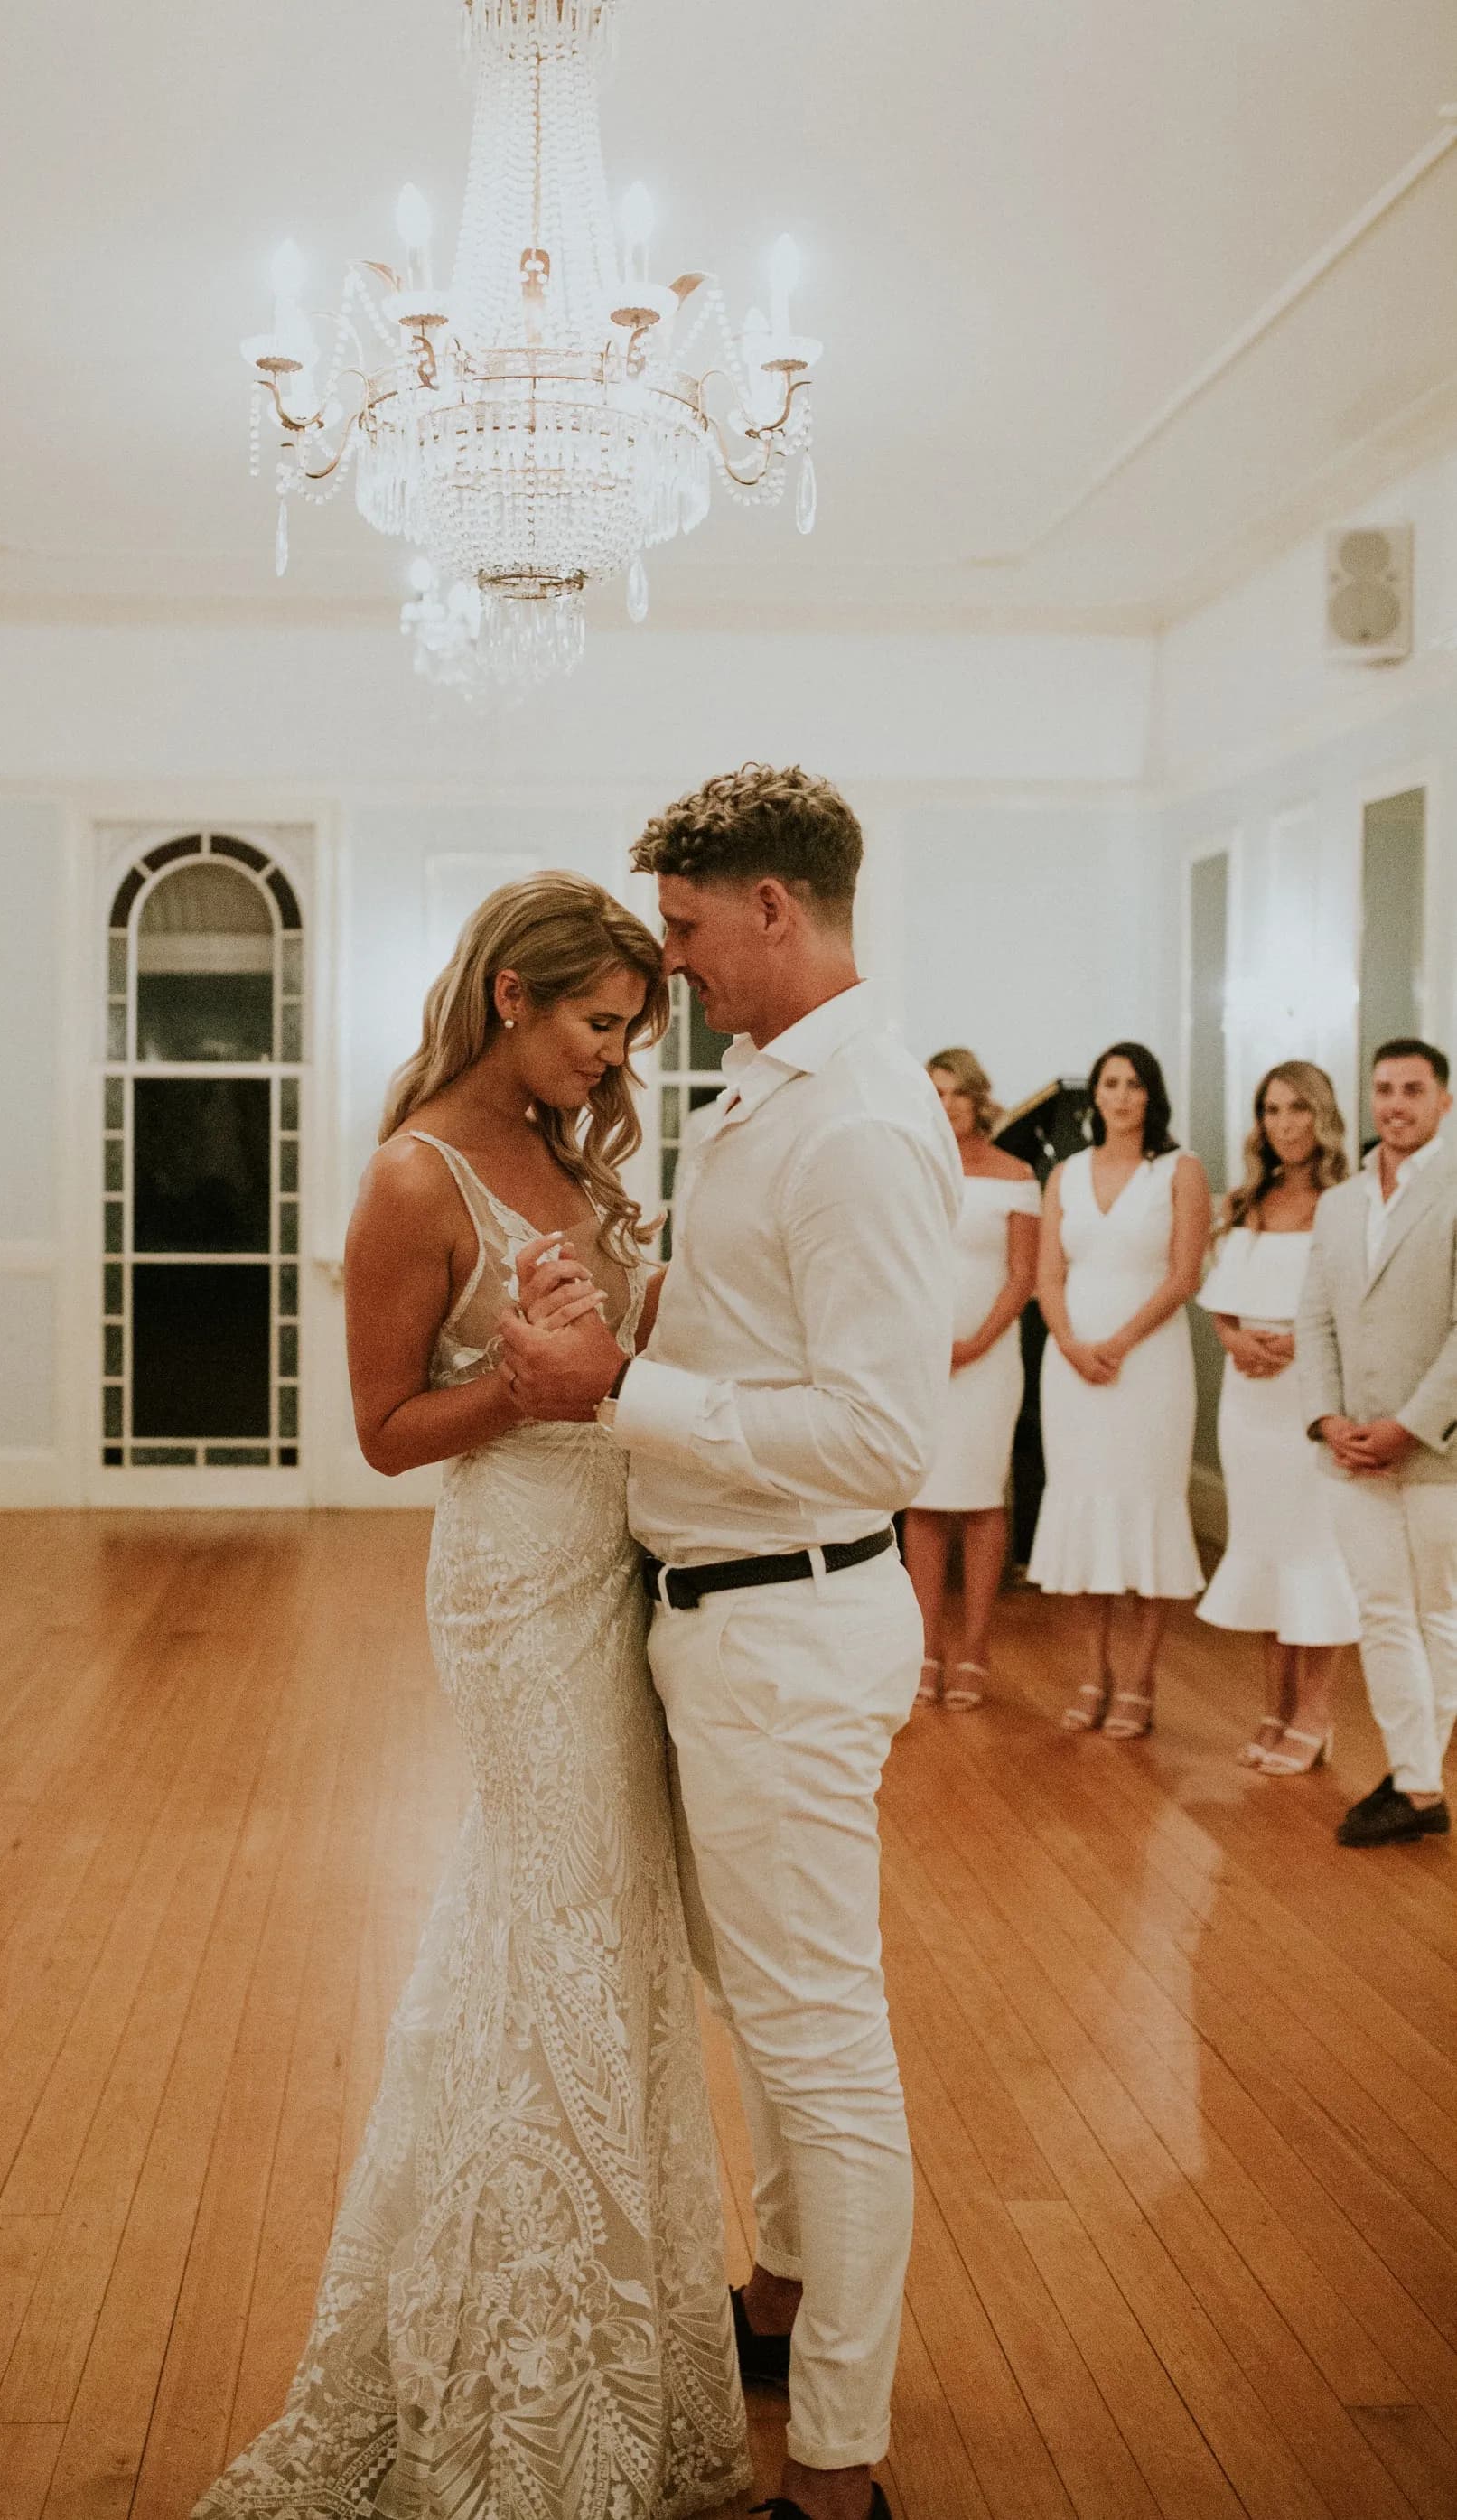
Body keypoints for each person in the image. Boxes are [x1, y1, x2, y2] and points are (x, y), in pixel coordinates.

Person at [191, 874, 752, 2520]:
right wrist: (517, 1380)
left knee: (603, 1933)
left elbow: (628, 1351)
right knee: (552, 1916)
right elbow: (380, 1431)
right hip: (516, 1583)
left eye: (630, 1033)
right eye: (597, 1023)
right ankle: (517, 2360)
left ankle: (602, 2334)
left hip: (625, 1556)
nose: (613, 1056)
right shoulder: (410, 1175)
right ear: (511, 995)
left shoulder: (574, 1158)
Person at [499, 763, 961, 2520]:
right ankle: (777, 2296)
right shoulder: (764, 1092)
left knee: (823, 2042)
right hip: (726, 1621)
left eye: (688, 931)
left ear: (776, 908)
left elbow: (876, 1438)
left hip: (790, 1623)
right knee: (766, 2008)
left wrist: (624, 1385)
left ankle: (839, 2464)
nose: (672, 966)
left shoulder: (853, 1120)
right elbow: (757, 1345)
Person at [1298, 1037, 1457, 1848]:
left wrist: (1408, 1428)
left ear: (1444, 1101)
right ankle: (1419, 1782)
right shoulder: (1341, 1202)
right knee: (1382, 1613)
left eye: (1413, 1090)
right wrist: (1328, 1418)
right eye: (1385, 1090)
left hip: (1437, 1451)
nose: (1396, 1104)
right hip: (1350, 1447)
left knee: (1439, 1618)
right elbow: (1316, 1317)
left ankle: (1416, 1782)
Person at [1029, 1042, 1209, 1738]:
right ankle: (1092, 1673)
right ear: (1094, 1096)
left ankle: (1139, 1681)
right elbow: (1047, 1276)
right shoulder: (1065, 1175)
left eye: (1135, 1084)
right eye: (1111, 1083)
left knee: (1146, 1511)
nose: (1122, 1095)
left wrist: (1120, 1343)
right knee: (1081, 1511)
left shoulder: (1179, 1170)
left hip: (1149, 1365)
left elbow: (1184, 1276)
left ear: (1151, 1094)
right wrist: (1072, 1343)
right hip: (1071, 1367)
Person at [1196, 1062, 1359, 1770]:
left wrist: (1296, 1347)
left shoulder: (1348, 1205)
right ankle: (1276, 1707)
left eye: (1298, 1109)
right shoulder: (1243, 1204)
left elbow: (1359, 1310)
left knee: (1313, 1552)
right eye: (1271, 1109)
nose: (1284, 1123)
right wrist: (1235, 1341)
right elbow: (1220, 1304)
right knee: (1264, 1548)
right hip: (1248, 1403)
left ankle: (1317, 1714)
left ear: (1321, 1117)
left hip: (1312, 1396)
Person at [902, 1049, 1040, 1707]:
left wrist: (977, 1342)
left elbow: (1023, 1276)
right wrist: (928, 1343)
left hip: (988, 1361)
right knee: (924, 1501)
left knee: (982, 1500)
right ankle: (927, 1648)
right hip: (921, 1357)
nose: (947, 1104)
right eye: (936, 1092)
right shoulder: (914, 1170)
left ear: (979, 1100)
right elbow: (896, 1262)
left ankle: (976, 1647)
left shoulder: (1017, 1176)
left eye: (958, 1093)